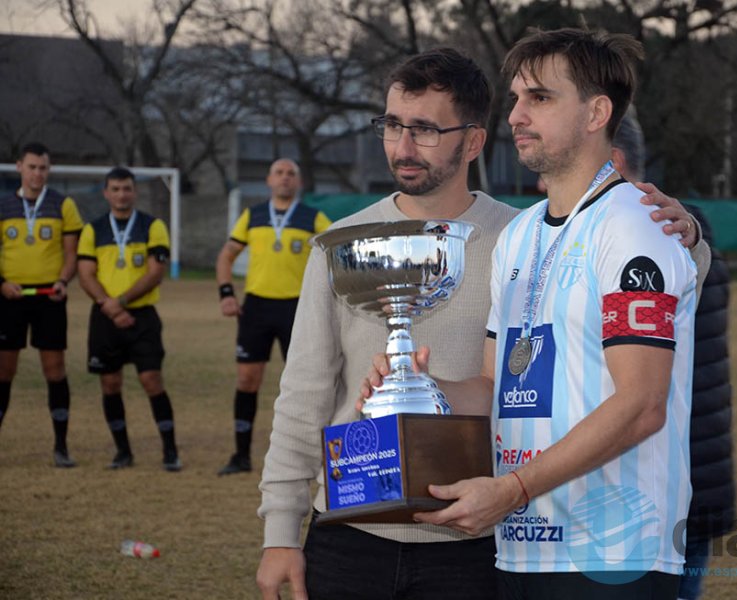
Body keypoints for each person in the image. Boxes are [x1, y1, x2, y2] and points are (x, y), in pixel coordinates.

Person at [257, 47, 704, 600]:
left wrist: (687, 239)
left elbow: (643, 331)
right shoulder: (341, 247)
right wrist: (419, 389)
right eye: (391, 126)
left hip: (485, 535)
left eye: (423, 129)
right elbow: (302, 396)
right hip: (355, 530)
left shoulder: (518, 235)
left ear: (472, 141)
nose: (402, 146)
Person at [612, 108, 736, 600]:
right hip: (691, 481)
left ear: (614, 162)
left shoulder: (656, 239)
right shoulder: (685, 231)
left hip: (666, 489)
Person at [216, 159, 331, 476]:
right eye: (279, 173)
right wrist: (226, 293)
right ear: (268, 180)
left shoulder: (313, 217)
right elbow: (226, 255)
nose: (284, 178)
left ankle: (310, 458)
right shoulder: (252, 216)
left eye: (291, 173)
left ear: (300, 181)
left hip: (297, 309)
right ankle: (241, 456)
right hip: (256, 308)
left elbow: (336, 253)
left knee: (305, 384)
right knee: (247, 380)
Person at [76, 167, 181, 471]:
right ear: (106, 193)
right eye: (116, 189)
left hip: (142, 317)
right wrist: (107, 306)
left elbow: (155, 273)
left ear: (134, 192)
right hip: (104, 316)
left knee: (151, 380)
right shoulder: (93, 230)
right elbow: (85, 274)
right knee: (110, 384)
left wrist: (119, 303)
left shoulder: (152, 226)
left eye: (127, 189)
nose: (122, 194)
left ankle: (170, 451)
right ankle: (123, 452)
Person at [0, 142, 82, 468]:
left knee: (55, 370)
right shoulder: (3, 205)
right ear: (19, 166)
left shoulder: (63, 205)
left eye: (43, 168)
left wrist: (62, 281)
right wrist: (2, 284)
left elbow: (72, 254)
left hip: (49, 298)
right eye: (32, 167)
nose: (37, 173)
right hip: (9, 299)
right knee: (4, 372)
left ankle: (61, 447)